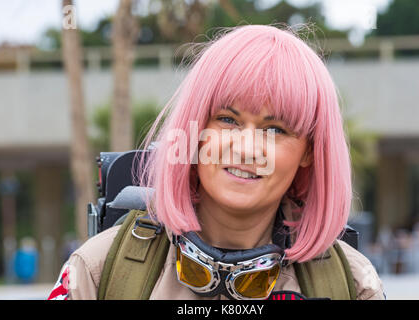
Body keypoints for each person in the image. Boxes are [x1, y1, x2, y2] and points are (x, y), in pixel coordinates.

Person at [48, 24, 384, 300]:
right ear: (195, 129)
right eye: (227, 119)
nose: (246, 148)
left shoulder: (353, 285)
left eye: (275, 129)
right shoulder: (97, 270)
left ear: (309, 151)